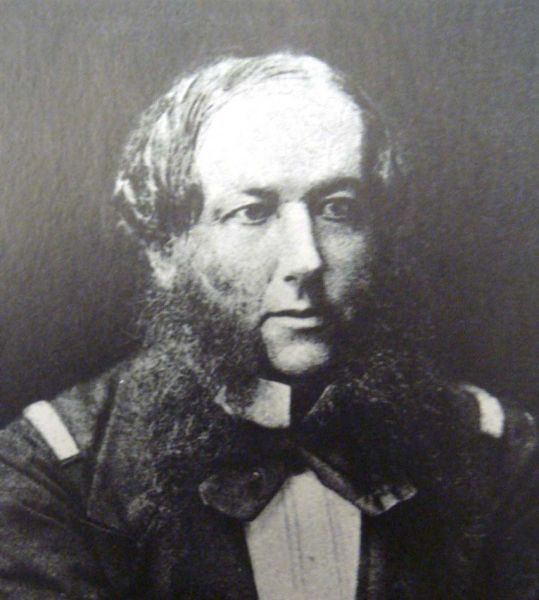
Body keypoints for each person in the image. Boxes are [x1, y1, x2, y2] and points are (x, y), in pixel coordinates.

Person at [0, 53, 537, 600]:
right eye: (252, 213)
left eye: (337, 208)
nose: (306, 260)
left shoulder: (499, 456)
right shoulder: (52, 473)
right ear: (165, 248)